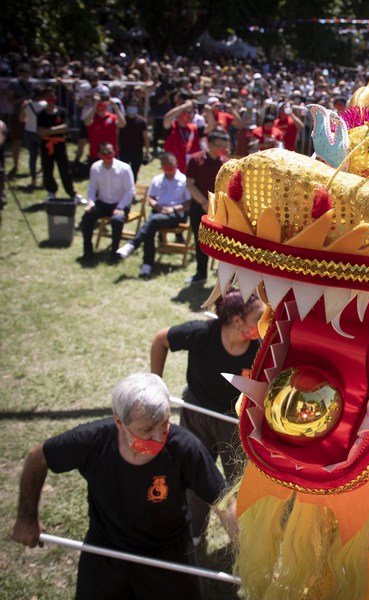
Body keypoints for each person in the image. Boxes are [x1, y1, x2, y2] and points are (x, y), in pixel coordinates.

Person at [10, 373, 238, 600]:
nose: (159, 437)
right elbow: (37, 458)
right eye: (147, 430)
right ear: (119, 422)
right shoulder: (93, 441)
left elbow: (224, 501)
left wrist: (248, 550)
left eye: (165, 423)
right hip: (106, 551)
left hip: (169, 553)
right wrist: (26, 518)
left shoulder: (185, 448)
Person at [151, 289, 263, 542]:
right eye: (258, 318)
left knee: (240, 480)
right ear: (236, 320)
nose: (264, 324)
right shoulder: (201, 334)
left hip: (234, 421)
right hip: (197, 412)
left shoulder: (261, 348)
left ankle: (243, 539)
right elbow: (161, 340)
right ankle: (194, 531)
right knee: (194, 473)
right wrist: (156, 384)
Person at [116, 153, 192, 278]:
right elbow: (151, 199)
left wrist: (173, 209)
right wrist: (158, 207)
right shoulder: (157, 179)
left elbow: (188, 202)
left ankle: (133, 245)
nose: (169, 171)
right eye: (166, 167)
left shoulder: (183, 180)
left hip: (176, 215)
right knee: (150, 229)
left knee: (153, 221)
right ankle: (146, 265)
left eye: (171, 167)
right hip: (158, 211)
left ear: (176, 165)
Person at [185, 130, 230, 284]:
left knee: (223, 244)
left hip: (219, 210)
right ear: (209, 145)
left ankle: (224, 279)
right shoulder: (195, 159)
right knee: (200, 242)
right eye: (220, 146)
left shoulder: (226, 163)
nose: (223, 150)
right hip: (199, 207)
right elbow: (190, 185)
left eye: (225, 147)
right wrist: (204, 203)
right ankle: (201, 273)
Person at [79, 142, 135, 262]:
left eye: (110, 152)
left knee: (116, 220)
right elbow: (92, 188)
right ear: (99, 154)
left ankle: (114, 252)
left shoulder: (124, 168)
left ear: (114, 153)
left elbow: (130, 191)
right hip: (103, 202)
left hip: (121, 203)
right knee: (86, 219)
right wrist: (91, 202)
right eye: (104, 153)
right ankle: (87, 251)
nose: (108, 156)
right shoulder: (95, 168)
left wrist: (120, 207)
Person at [36, 92, 81, 201]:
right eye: (49, 98)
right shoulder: (41, 114)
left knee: (64, 169)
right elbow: (40, 131)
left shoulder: (62, 112)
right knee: (47, 168)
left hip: (60, 144)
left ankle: (71, 192)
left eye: (53, 97)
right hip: (47, 145)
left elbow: (65, 127)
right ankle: (51, 191)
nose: (51, 100)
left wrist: (49, 130)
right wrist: (55, 130)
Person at [83, 89, 126, 162]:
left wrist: (115, 107)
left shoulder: (112, 117)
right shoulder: (92, 118)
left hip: (111, 154)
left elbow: (122, 124)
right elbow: (87, 122)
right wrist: (95, 103)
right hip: (95, 155)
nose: (101, 103)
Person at [19, 85, 46, 188]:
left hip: (29, 131)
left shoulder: (26, 104)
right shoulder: (44, 105)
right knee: (44, 156)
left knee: (32, 156)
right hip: (41, 133)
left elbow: (21, 119)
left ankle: (33, 179)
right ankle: (44, 178)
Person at [118, 100, 150, 181]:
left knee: (134, 173)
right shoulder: (122, 121)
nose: (132, 107)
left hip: (137, 151)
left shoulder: (142, 121)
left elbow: (145, 137)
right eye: (130, 105)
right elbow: (117, 135)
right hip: (124, 150)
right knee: (122, 172)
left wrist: (147, 151)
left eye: (134, 106)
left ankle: (132, 190)